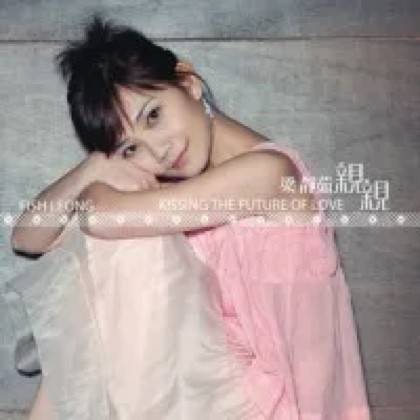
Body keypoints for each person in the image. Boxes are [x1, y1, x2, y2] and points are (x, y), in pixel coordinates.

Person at [10, 15, 371, 419]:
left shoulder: (271, 174)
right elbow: (26, 236)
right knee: (119, 236)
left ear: (188, 82)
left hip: (280, 406)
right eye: (132, 148)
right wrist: (93, 167)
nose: (158, 152)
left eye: (153, 116)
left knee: (122, 237)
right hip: (210, 388)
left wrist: (101, 182)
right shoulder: (177, 191)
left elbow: (99, 217)